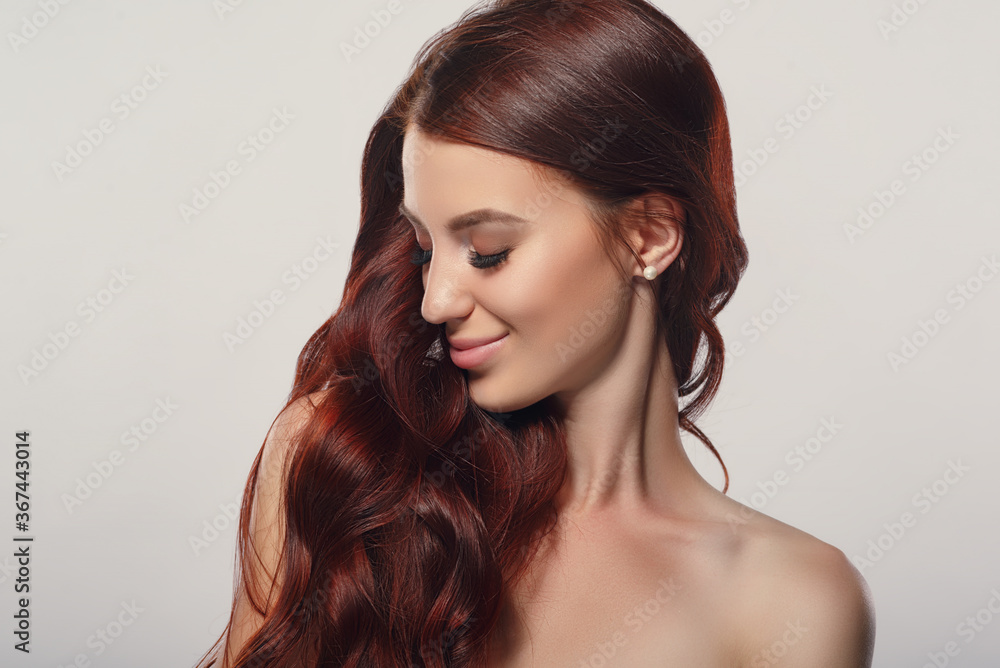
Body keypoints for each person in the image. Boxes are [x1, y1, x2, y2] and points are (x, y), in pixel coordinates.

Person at [196, 0, 876, 666]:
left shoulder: (795, 601)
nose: (435, 301)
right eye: (426, 250)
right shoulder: (345, 462)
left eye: (488, 250)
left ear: (649, 236)